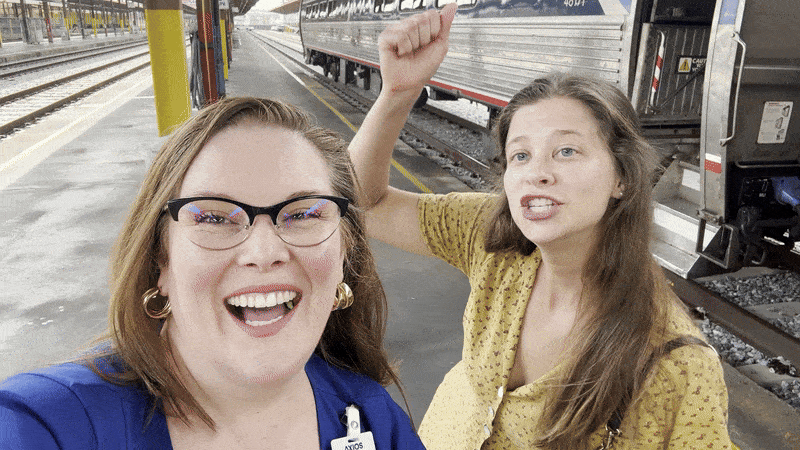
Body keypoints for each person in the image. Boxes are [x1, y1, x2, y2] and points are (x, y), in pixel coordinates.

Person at [348, 4, 737, 449]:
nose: (538, 173)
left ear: (622, 177)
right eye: (521, 155)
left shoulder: (676, 366)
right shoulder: (488, 236)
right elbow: (365, 203)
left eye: (566, 151)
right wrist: (398, 92)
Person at [0, 97, 425, 450]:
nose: (264, 251)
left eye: (304, 213)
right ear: (159, 262)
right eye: (215, 219)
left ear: (343, 257)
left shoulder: (373, 416)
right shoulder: (48, 425)